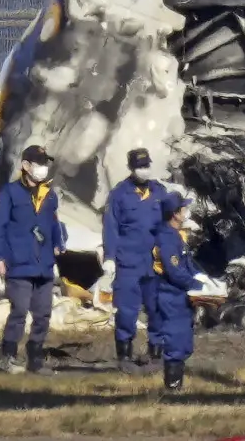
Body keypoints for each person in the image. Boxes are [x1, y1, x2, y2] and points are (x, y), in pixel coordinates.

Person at [0, 144, 67, 375]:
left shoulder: (49, 195)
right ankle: (9, 358)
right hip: (19, 264)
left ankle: (35, 359)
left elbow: (54, 225)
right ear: (25, 166)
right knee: (20, 311)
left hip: (43, 265)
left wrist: (58, 244)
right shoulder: (10, 193)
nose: (43, 169)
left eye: (45, 164)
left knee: (43, 314)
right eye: (39, 164)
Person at [100, 148, 168, 374]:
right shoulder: (119, 194)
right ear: (131, 168)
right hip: (128, 262)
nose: (144, 170)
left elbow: (170, 223)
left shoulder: (160, 192)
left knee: (157, 308)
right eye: (140, 167)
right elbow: (111, 228)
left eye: (147, 165)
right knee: (127, 311)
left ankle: (156, 353)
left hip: (155, 262)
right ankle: (125, 355)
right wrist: (109, 257)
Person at [153, 192, 220, 391]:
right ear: (175, 214)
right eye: (183, 208)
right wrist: (196, 285)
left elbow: (187, 264)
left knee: (184, 342)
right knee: (176, 340)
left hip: (181, 296)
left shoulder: (175, 235)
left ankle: (176, 382)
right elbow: (174, 271)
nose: (186, 211)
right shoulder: (166, 239)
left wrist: (203, 279)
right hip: (171, 295)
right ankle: (173, 387)